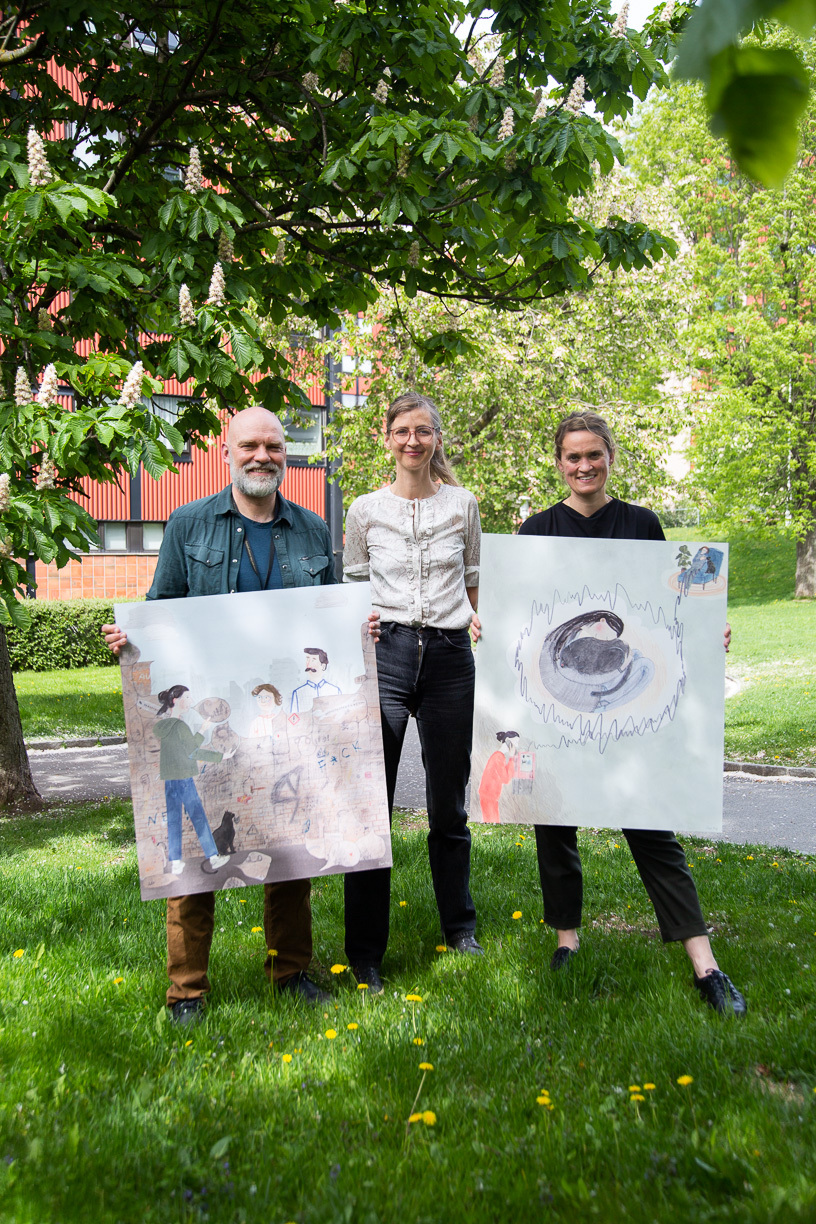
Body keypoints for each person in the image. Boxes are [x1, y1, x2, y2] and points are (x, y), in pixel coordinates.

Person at [102, 406, 352, 1023]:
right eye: (250, 446)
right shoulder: (189, 524)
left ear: (285, 454)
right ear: (226, 452)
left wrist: (357, 629)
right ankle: (187, 990)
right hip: (212, 716)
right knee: (194, 848)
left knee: (290, 845)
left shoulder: (312, 529)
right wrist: (132, 638)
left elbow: (331, 617)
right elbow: (161, 610)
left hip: (282, 721)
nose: (263, 456)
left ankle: (290, 972)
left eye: (274, 445)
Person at [518, 409, 746, 1016]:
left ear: (610, 458)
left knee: (651, 826)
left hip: (633, 702)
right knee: (554, 821)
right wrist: (491, 627)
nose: (584, 466)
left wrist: (708, 628)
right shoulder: (536, 529)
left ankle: (706, 965)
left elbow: (673, 603)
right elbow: (523, 614)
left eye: (594, 454)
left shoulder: (641, 523)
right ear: (559, 463)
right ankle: (566, 942)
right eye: (573, 456)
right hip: (558, 704)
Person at [342, 391, 483, 992]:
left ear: (436, 439)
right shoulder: (364, 510)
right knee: (370, 805)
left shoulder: (463, 504)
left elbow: (474, 583)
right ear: (387, 438)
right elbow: (352, 587)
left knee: (449, 804)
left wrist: (480, 618)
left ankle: (460, 927)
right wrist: (361, 626)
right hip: (387, 657)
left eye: (423, 431)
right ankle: (365, 953)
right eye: (402, 430)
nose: (412, 441)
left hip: (451, 657)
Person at [153, 683, 232, 875]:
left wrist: (201, 731)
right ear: (175, 700)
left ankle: (175, 863)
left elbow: (185, 748)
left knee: (174, 820)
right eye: (187, 698)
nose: (190, 701)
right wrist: (221, 756)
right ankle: (213, 858)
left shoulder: (165, 726)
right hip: (183, 778)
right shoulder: (180, 726)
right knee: (198, 817)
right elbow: (192, 752)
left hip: (170, 779)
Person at [478, 731, 519, 824]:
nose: (517, 745)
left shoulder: (499, 756)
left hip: (489, 795)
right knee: (493, 821)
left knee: (492, 821)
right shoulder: (498, 757)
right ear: (508, 741)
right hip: (489, 796)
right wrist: (512, 757)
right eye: (516, 742)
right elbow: (506, 779)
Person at [289, 647, 341, 713]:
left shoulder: (335, 691)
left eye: (313, 660)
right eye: (307, 659)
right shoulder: (298, 693)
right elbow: (293, 717)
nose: (309, 664)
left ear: (323, 666)